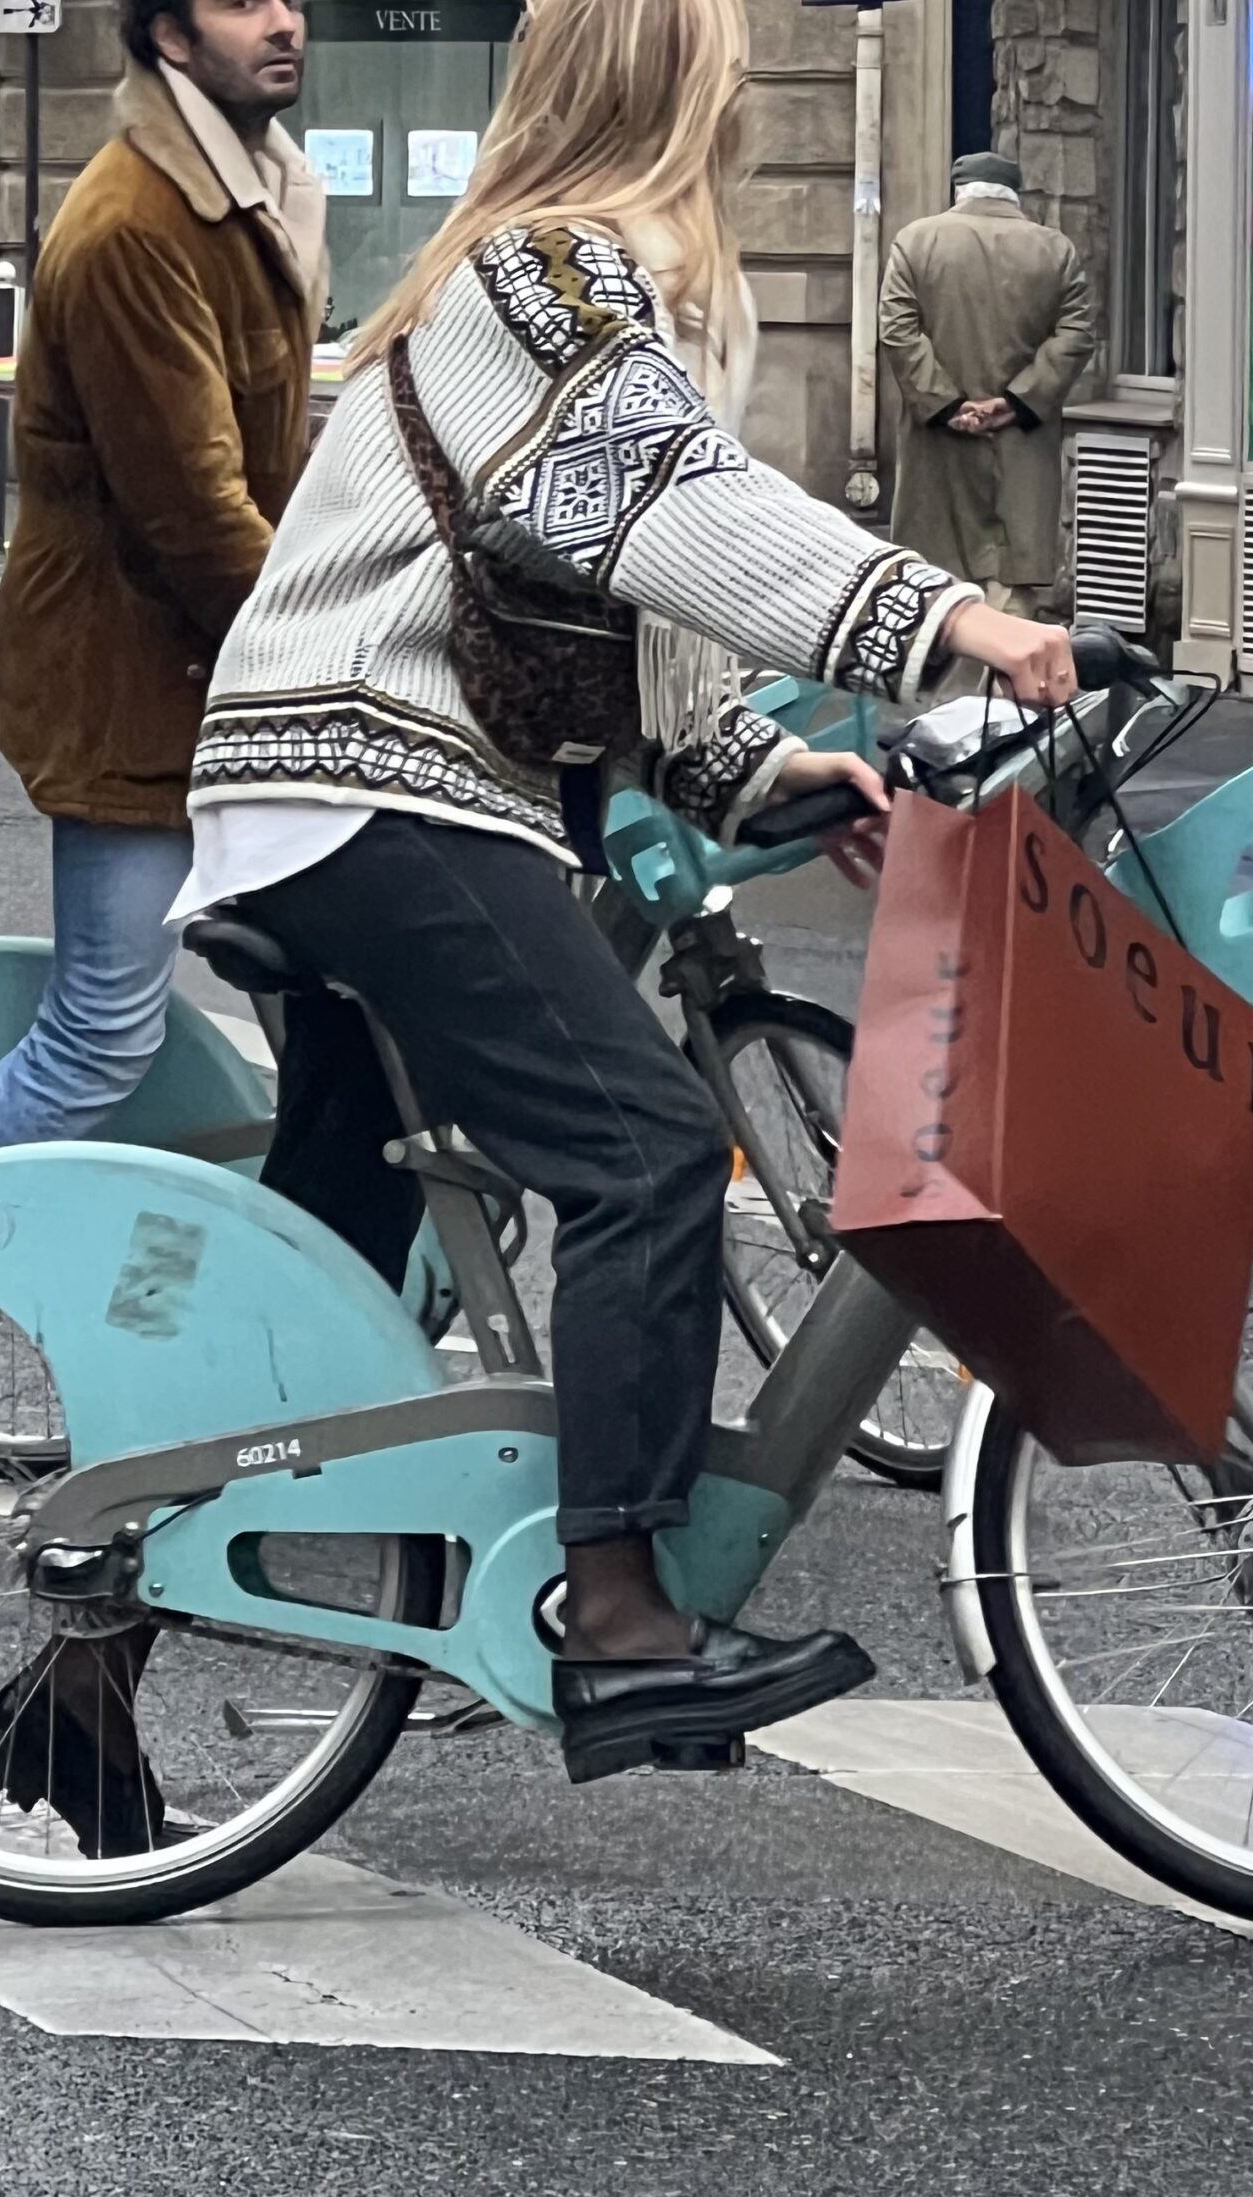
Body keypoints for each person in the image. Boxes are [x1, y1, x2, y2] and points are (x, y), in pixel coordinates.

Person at [172, 0, 1081, 1781]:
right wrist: (946, 623)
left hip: (339, 786)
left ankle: (100, 1635)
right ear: (678, 93)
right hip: (375, 782)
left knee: (347, 1229)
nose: (744, 101)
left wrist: (764, 764)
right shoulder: (555, 275)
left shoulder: (535, 288)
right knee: (651, 1152)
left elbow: (616, 580)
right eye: (727, 72)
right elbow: (671, 503)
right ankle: (623, 1618)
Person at [0, 0, 328, 1518]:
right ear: (169, 29)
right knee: (103, 1031)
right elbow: (195, 516)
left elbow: (279, 458)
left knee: (334, 1021)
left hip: (221, 683)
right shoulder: (133, 224)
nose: (285, 17)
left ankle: (287, 1378)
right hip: (133, 690)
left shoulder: (256, 186)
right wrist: (334, 650)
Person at [878, 150, 1095, 614]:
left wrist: (946, 404)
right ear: (1013, 193)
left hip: (937, 453)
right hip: (1021, 450)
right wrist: (1017, 402)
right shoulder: (1056, 251)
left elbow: (897, 331)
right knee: (1013, 599)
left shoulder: (915, 243)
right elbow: (1077, 335)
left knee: (934, 595)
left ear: (960, 191)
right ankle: (998, 681)